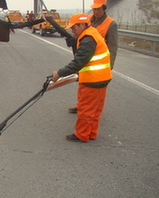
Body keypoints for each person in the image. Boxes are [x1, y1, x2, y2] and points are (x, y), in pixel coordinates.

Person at [51, 13, 112, 142]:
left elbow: (78, 63)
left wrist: (59, 73)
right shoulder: (91, 33)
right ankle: (91, 133)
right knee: (95, 109)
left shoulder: (88, 39)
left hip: (93, 80)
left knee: (85, 110)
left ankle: (82, 134)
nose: (72, 30)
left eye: (74, 28)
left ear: (83, 24)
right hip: (103, 78)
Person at [68, 0, 118, 113]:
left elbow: (113, 47)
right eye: (94, 9)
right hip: (85, 57)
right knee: (82, 83)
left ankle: (89, 109)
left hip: (98, 62)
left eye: (98, 9)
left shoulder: (110, 24)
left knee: (92, 88)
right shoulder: (88, 19)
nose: (95, 11)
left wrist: (109, 65)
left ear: (104, 9)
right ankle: (81, 105)